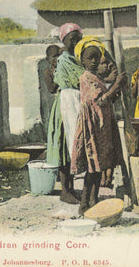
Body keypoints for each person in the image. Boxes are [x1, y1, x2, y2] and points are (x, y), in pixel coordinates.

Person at [70, 36, 126, 214]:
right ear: (82, 60)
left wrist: (116, 89)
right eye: (89, 58)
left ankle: (93, 200)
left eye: (96, 57)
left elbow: (107, 100)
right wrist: (115, 85)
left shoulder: (96, 77)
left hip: (101, 125)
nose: (93, 61)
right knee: (92, 169)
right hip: (93, 126)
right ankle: (84, 203)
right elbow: (100, 101)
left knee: (98, 167)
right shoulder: (86, 78)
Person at [46, 23, 84, 204]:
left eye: (78, 39)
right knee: (63, 149)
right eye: (71, 39)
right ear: (63, 41)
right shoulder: (62, 61)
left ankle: (71, 188)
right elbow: (64, 85)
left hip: (77, 106)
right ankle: (65, 190)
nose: (75, 42)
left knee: (72, 149)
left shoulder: (78, 58)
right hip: (64, 107)